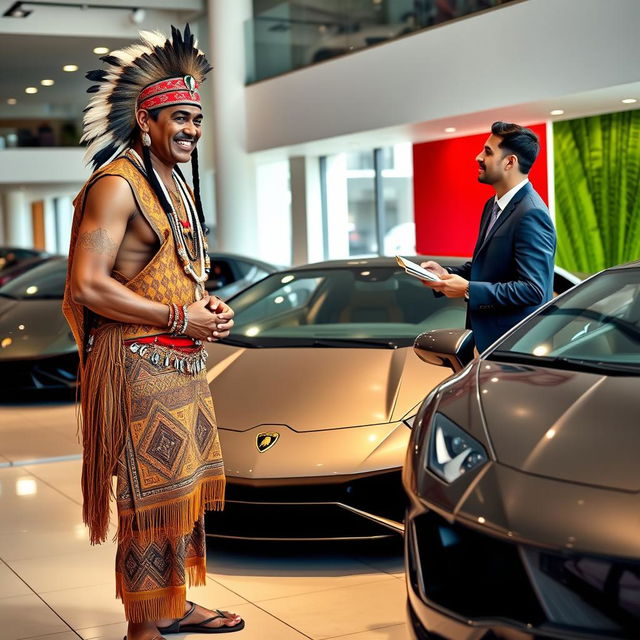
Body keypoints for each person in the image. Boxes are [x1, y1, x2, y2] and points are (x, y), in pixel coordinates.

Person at [62, 26, 244, 640]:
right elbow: (89, 284)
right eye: (179, 118)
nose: (192, 129)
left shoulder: (173, 181)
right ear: (146, 120)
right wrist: (175, 318)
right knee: (148, 503)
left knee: (178, 498)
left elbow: (171, 270)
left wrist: (204, 307)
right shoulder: (118, 185)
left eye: (197, 118)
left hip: (178, 363)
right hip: (137, 366)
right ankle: (144, 628)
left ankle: (171, 606)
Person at [421, 121, 556, 352]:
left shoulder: (531, 213)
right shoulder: (492, 206)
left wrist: (468, 289)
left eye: (488, 151)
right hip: (489, 343)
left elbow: (534, 290)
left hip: (515, 348)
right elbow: (490, 267)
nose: (478, 157)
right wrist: (446, 274)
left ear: (510, 162)